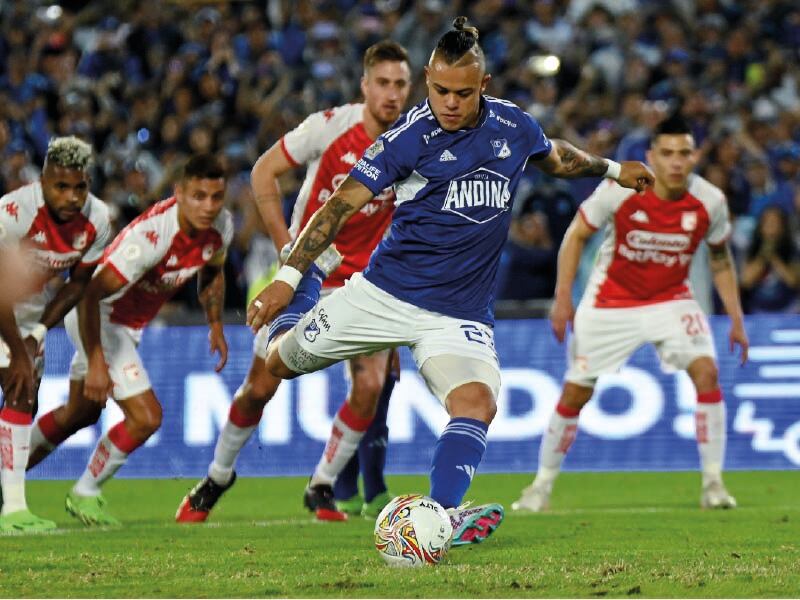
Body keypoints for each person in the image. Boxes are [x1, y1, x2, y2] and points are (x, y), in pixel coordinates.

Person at [247, 17, 653, 546]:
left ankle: (437, 519)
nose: (450, 103)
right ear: (427, 79)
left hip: (458, 314)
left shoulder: (513, 127)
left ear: (483, 86)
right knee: (279, 360)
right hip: (381, 296)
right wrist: (288, 275)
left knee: (477, 403)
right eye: (439, 90)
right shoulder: (406, 139)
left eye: (463, 92)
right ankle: (304, 298)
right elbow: (339, 206)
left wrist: (614, 170)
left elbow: (557, 158)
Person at [174, 41, 412, 524]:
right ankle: (217, 476)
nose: (391, 94)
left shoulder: (414, 140)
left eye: (400, 85)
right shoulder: (329, 127)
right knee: (261, 386)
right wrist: (290, 250)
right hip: (308, 272)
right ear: (364, 86)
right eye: (382, 83)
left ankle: (321, 485)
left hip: (367, 282)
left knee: (369, 385)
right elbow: (263, 172)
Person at [512, 114, 749, 513]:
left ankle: (713, 484)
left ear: (695, 157)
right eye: (668, 153)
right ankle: (540, 487)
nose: (676, 162)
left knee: (707, 372)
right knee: (576, 391)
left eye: (684, 153)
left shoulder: (711, 201)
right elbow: (576, 235)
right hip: (610, 302)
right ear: (652, 155)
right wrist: (563, 297)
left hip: (672, 299)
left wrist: (737, 318)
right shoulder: (620, 189)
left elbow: (721, 259)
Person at [26, 154, 232, 526]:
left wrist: (215, 322)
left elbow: (213, 270)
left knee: (78, 414)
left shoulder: (221, 228)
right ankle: (85, 493)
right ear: (179, 194)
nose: (209, 207)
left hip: (125, 324)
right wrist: (98, 362)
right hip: (98, 316)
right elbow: (89, 293)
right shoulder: (151, 238)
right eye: (198, 196)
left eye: (216, 197)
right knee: (146, 417)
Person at [0, 137, 111, 533]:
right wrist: (20, 350)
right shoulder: (13, 213)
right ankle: (12, 510)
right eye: (61, 186)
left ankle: (11, 504)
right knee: (21, 387)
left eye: (79, 187)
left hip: (28, 316)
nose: (71, 196)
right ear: (43, 180)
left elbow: (78, 283)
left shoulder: (97, 220)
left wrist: (38, 332)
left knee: (24, 401)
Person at [739, 205, 800, 313]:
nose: (771, 227)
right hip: (757, 310)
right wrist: (764, 255)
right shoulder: (752, 248)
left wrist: (774, 258)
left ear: (783, 227)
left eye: (775, 223)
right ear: (761, 227)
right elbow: (746, 281)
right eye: (767, 223)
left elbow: (793, 281)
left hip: (788, 310)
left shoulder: (792, 249)